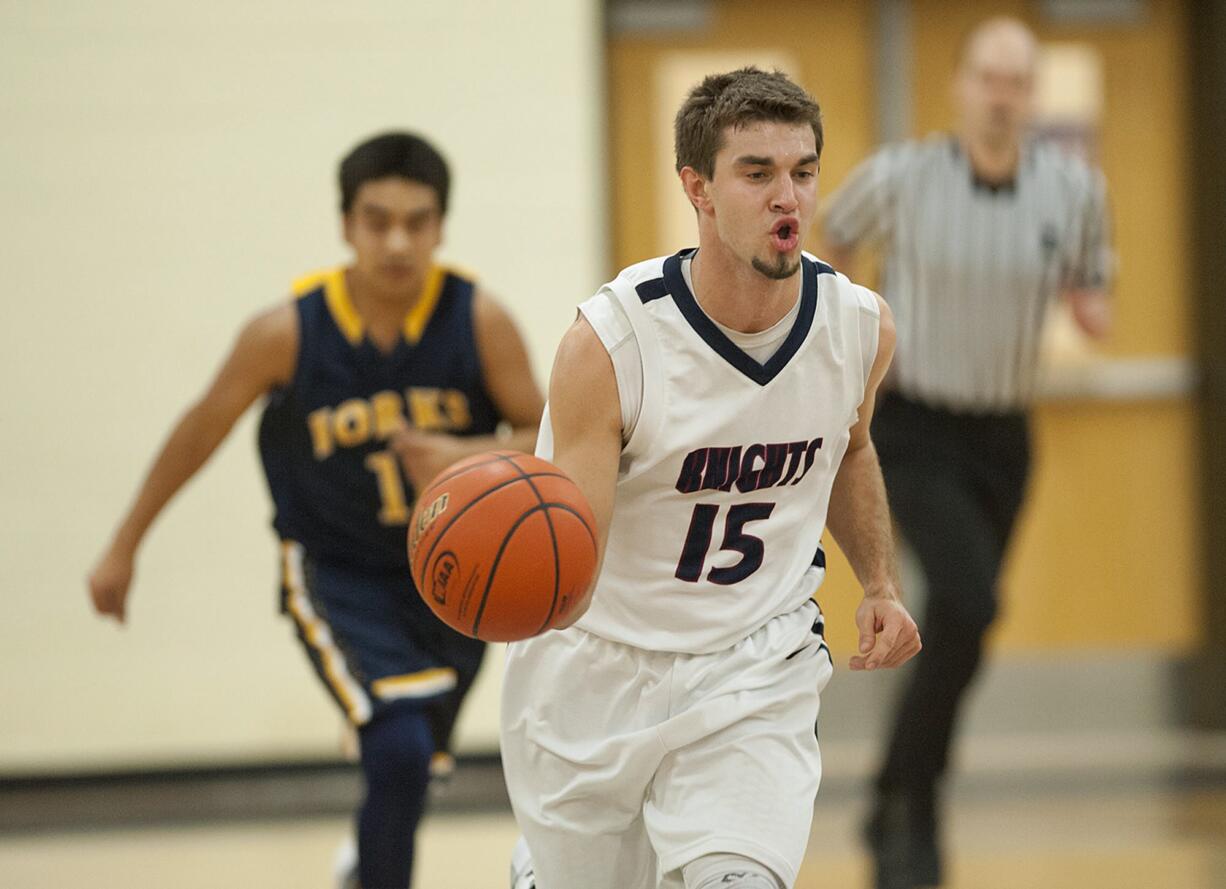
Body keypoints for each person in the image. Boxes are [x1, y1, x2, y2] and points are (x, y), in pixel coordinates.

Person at [87, 131, 544, 889]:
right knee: (398, 747)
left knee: (412, 764)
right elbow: (201, 428)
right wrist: (124, 542)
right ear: (345, 224)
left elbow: (554, 434)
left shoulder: (479, 320)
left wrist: (462, 453)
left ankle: (364, 865)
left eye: (417, 220)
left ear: (441, 225)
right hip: (335, 573)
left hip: (450, 574)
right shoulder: (288, 332)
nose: (397, 240)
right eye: (377, 219)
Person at [500, 67, 921, 889]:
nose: (787, 196)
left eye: (802, 171)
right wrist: (505, 579)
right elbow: (568, 560)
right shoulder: (611, 346)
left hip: (752, 665)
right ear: (697, 187)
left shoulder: (858, 327)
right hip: (598, 668)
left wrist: (879, 580)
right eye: (756, 173)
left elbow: (852, 447)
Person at [819, 18, 1114, 889]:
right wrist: (842, 344)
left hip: (1004, 434)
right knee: (972, 599)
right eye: (988, 76)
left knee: (964, 623)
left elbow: (1095, 283)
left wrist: (1092, 305)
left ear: (1032, 96)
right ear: (960, 84)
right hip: (914, 426)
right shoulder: (902, 177)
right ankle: (912, 804)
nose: (1002, 94)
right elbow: (831, 236)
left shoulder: (1074, 190)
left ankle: (895, 794)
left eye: (1019, 81)